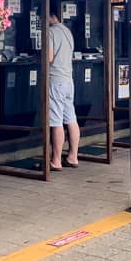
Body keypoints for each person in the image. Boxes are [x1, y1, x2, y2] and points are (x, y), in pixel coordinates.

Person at [48, 11, 80, 170]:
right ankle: (73, 157)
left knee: (56, 121)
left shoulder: (51, 32)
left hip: (56, 80)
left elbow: (49, 58)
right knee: (71, 119)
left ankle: (56, 160)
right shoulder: (67, 31)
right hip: (68, 80)